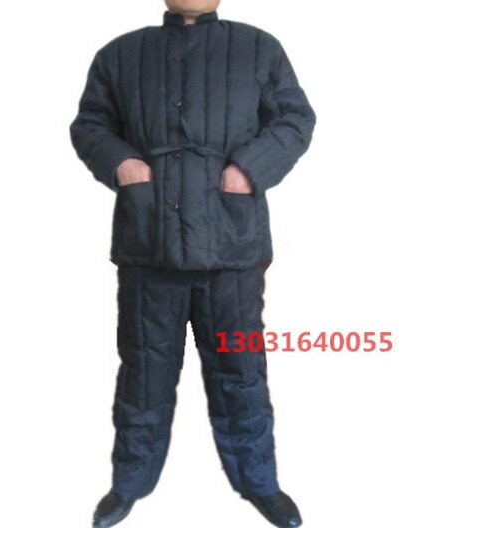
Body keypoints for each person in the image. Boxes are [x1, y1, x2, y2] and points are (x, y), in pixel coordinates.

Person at [69, 0, 316, 528]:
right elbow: (90, 125)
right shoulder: (120, 54)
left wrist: (249, 169)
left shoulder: (258, 48)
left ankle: (259, 483)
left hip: (232, 246)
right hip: (148, 243)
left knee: (241, 372)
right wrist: (123, 164)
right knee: (143, 373)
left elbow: (295, 119)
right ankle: (129, 484)